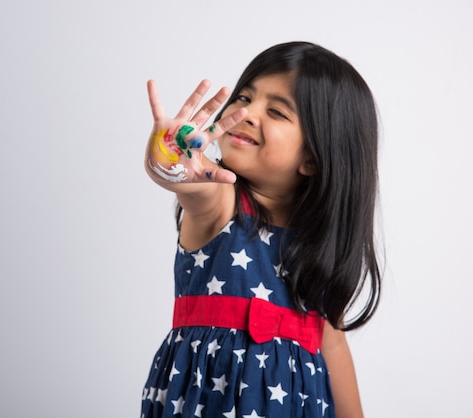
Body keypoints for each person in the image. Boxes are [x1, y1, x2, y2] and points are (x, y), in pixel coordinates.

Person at [141, 41, 381, 418]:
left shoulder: (318, 252)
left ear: (313, 159)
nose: (246, 112)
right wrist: (170, 155)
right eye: (244, 97)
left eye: (276, 111)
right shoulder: (219, 204)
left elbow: (333, 349)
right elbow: (184, 178)